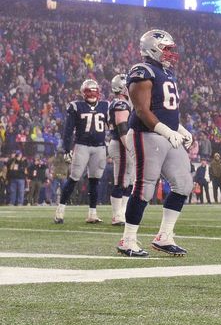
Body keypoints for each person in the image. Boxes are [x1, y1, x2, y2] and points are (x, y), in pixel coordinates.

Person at [116, 29, 195, 257]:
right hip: (145, 134)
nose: (170, 53)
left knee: (183, 184)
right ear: (153, 48)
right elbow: (141, 110)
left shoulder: (166, 73)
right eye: (166, 49)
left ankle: (164, 237)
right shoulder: (142, 70)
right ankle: (128, 240)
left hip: (165, 134)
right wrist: (166, 131)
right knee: (144, 187)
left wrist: (179, 129)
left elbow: (166, 110)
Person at [54, 79, 109, 224]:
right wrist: (67, 148)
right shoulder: (76, 106)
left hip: (99, 147)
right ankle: (60, 211)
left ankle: (92, 213)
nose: (92, 94)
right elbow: (68, 130)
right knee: (74, 177)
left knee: (95, 180)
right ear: (83, 92)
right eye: (89, 91)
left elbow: (113, 125)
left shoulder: (105, 106)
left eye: (94, 91)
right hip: (82, 146)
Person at [106, 73, 134, 225]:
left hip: (121, 143)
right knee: (121, 180)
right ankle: (117, 215)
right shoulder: (121, 104)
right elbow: (122, 127)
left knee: (127, 180)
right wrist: (130, 147)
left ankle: (122, 213)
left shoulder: (117, 103)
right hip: (121, 144)